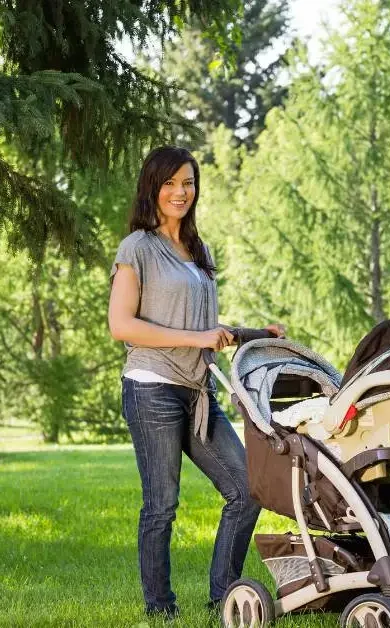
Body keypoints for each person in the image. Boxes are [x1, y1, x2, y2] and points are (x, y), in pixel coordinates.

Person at [108, 146, 285, 619]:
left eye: (187, 182)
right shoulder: (137, 248)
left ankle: (223, 595)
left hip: (198, 390)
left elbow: (203, 326)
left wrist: (253, 333)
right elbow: (122, 325)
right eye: (170, 183)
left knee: (247, 491)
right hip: (152, 387)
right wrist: (197, 336)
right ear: (152, 187)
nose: (180, 192)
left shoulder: (197, 248)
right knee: (162, 505)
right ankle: (160, 607)